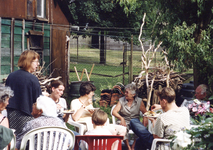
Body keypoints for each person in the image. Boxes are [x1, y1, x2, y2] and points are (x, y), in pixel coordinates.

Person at [6, 50, 42, 135]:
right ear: (29, 61)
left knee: (15, 138)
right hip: (27, 116)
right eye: (36, 61)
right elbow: (39, 100)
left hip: (11, 115)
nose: (38, 64)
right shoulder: (32, 79)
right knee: (26, 140)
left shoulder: (11, 76)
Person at [112, 83, 148, 150]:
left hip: (135, 121)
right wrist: (121, 118)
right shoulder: (121, 100)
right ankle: (128, 146)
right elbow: (114, 112)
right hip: (124, 121)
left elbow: (145, 113)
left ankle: (134, 145)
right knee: (122, 128)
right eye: (125, 91)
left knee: (140, 128)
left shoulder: (139, 101)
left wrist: (144, 122)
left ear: (133, 94)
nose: (125, 93)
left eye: (127, 92)